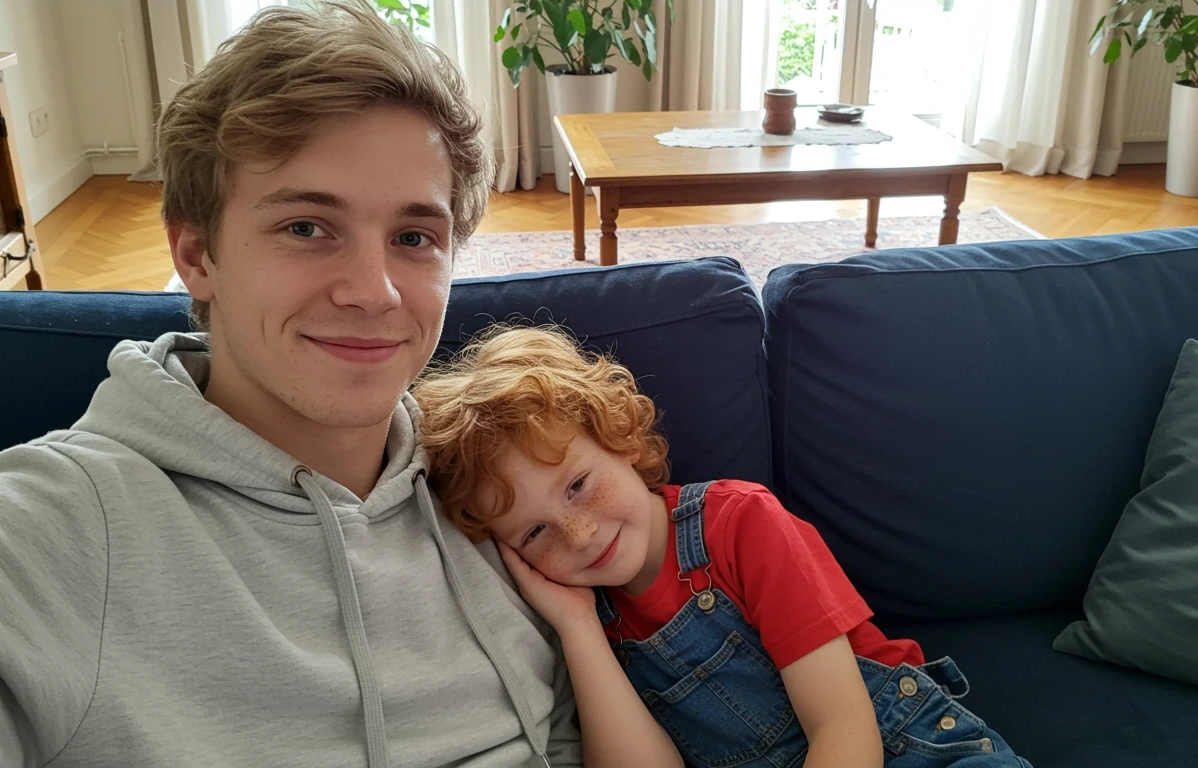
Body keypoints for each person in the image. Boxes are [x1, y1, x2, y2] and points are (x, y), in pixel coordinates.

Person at [0, 3, 581, 767]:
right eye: (307, 227)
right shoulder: (64, 525)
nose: (375, 292)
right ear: (197, 254)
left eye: (413, 238)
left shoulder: (494, 480)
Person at [413, 325, 1034, 768]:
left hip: (906, 749)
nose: (579, 535)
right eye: (535, 533)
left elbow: (846, 731)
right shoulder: (584, 612)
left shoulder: (739, 523)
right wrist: (576, 629)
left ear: (622, 439)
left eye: (577, 485)